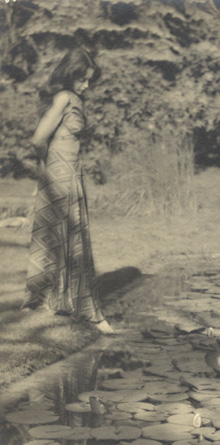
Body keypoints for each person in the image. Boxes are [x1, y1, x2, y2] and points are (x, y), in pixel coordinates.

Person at [22, 48, 113, 335]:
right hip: (60, 173)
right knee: (67, 235)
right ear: (69, 75)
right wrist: (49, 162)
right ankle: (86, 311)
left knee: (63, 235)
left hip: (70, 172)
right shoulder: (63, 97)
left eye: (89, 80)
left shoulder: (74, 98)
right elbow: (38, 138)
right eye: (82, 79)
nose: (87, 86)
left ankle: (58, 300)